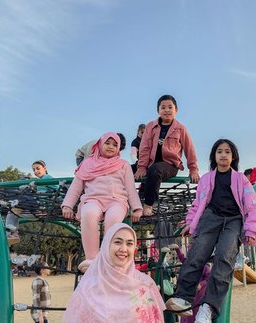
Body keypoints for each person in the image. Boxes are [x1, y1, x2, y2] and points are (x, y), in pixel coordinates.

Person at [165, 139, 256, 322]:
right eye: (219, 151)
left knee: (225, 256)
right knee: (197, 253)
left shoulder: (241, 179)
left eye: (227, 151)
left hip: (233, 220)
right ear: (214, 156)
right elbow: (198, 204)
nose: (223, 155)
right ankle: (183, 298)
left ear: (233, 156)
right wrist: (190, 222)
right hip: (211, 218)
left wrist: (252, 229)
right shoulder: (206, 179)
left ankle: (208, 306)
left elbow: (253, 205)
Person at [61, 132, 142, 273]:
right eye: (107, 143)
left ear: (119, 149)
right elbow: (76, 186)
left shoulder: (123, 165)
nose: (111, 147)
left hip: (116, 200)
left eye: (115, 144)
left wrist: (137, 208)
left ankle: (108, 257)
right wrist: (67, 205)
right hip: (93, 198)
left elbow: (130, 188)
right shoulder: (87, 163)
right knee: (88, 214)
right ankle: (92, 258)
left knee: (113, 220)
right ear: (100, 144)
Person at [64, 223, 165, 322]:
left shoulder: (145, 284)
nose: (123, 249)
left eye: (129, 243)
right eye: (117, 242)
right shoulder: (88, 285)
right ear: (106, 245)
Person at [134, 95, 199, 216]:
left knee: (154, 170)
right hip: (150, 163)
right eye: (163, 107)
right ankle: (122, 200)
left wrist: (193, 169)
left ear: (176, 110)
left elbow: (189, 149)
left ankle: (148, 204)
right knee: (126, 169)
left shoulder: (181, 129)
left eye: (170, 107)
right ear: (158, 111)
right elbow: (144, 147)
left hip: (169, 165)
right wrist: (141, 167)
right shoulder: (150, 126)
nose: (167, 110)